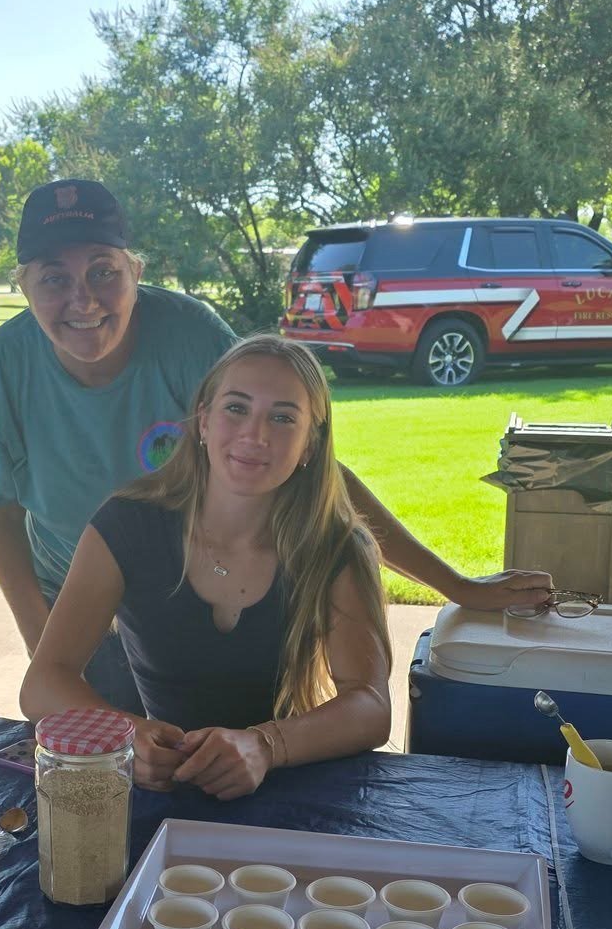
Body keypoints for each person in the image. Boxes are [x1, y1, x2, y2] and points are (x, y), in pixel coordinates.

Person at [0, 178, 551, 707]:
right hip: (75, 607)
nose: (82, 299)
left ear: (135, 271)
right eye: (54, 278)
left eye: (103, 270)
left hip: (187, 593)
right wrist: (43, 644)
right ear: (24, 285)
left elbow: (299, 465)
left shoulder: (188, 335)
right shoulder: (1, 367)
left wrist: (459, 587)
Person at [21, 336, 390, 798]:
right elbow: (43, 683)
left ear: (310, 447)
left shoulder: (337, 547)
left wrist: (265, 747)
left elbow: (371, 705)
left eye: (282, 417)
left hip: (291, 782)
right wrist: (126, 737)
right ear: (203, 421)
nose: (255, 435)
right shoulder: (126, 526)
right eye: (236, 408)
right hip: (162, 786)